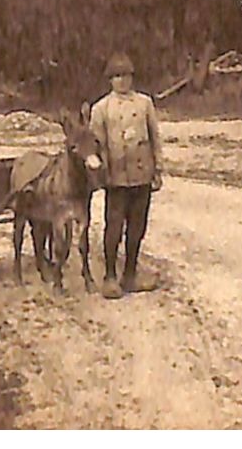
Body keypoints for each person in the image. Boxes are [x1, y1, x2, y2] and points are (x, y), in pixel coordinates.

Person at [87, 52, 164, 299]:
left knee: (137, 227)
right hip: (116, 178)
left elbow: (155, 138)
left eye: (126, 76)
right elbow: (94, 145)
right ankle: (110, 277)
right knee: (114, 227)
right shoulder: (101, 108)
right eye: (117, 77)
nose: (122, 81)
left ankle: (130, 274)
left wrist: (158, 169)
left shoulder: (144, 103)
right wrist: (99, 171)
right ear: (110, 80)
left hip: (142, 174)